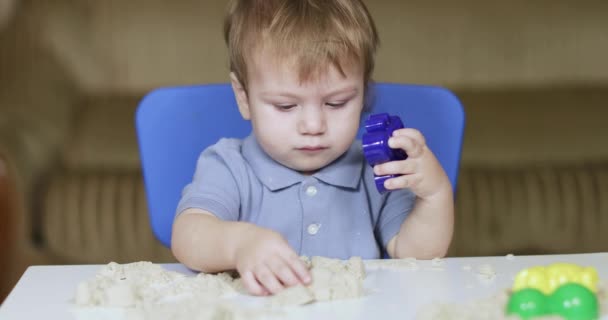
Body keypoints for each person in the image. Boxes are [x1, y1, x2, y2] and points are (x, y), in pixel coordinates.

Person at [171, 0, 454, 297]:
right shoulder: (229, 165)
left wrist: (434, 195)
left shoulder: (377, 168)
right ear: (243, 97)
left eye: (336, 103)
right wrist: (240, 244)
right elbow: (189, 236)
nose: (313, 125)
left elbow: (417, 255)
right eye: (286, 105)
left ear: (364, 95)